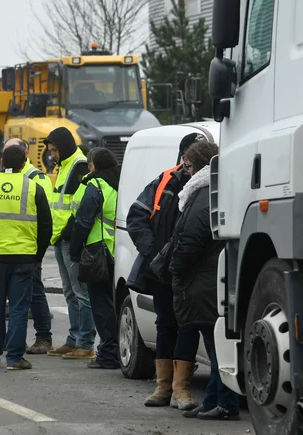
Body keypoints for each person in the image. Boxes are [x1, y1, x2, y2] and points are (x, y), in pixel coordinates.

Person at [126, 132, 206, 408]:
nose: (188, 162)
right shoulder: (164, 181)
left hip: (189, 271)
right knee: (165, 325)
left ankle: (180, 390)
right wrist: (152, 254)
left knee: (187, 326)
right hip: (161, 271)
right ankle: (163, 388)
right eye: (187, 155)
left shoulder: (205, 185)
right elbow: (136, 217)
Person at [169, 141, 240, 420]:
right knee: (215, 346)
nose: (184, 170)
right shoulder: (212, 188)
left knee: (217, 348)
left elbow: (190, 237)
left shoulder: (203, 192)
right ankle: (213, 400)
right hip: (209, 277)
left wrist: (175, 267)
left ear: (197, 165)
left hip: (204, 280)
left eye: (187, 164)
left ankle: (225, 404)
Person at [0, 144, 53, 370]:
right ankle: (15, 358)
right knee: (18, 308)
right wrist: (38, 256)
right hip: (24, 258)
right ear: (24, 163)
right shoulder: (33, 187)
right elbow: (46, 226)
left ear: (2, 162)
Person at [68, 148, 121, 369]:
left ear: (92, 165)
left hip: (98, 252)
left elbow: (83, 221)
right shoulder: (123, 181)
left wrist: (74, 249)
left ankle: (108, 354)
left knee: (101, 307)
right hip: (120, 250)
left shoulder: (95, 186)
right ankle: (121, 350)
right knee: (117, 305)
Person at [3, 138, 55, 354]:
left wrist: (38, 251)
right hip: (7, 247)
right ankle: (16, 340)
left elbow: (45, 217)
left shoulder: (37, 178)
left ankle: (43, 338)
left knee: (33, 292)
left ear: (24, 154)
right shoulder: (5, 178)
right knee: (15, 296)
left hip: (28, 247)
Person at [43, 127, 92, 358]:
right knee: (70, 292)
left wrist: (67, 234)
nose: (52, 155)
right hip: (61, 237)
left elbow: (79, 207)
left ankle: (85, 343)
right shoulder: (63, 166)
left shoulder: (78, 166)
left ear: (63, 147)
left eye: (54, 150)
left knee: (80, 292)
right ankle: (74, 339)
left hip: (71, 239)